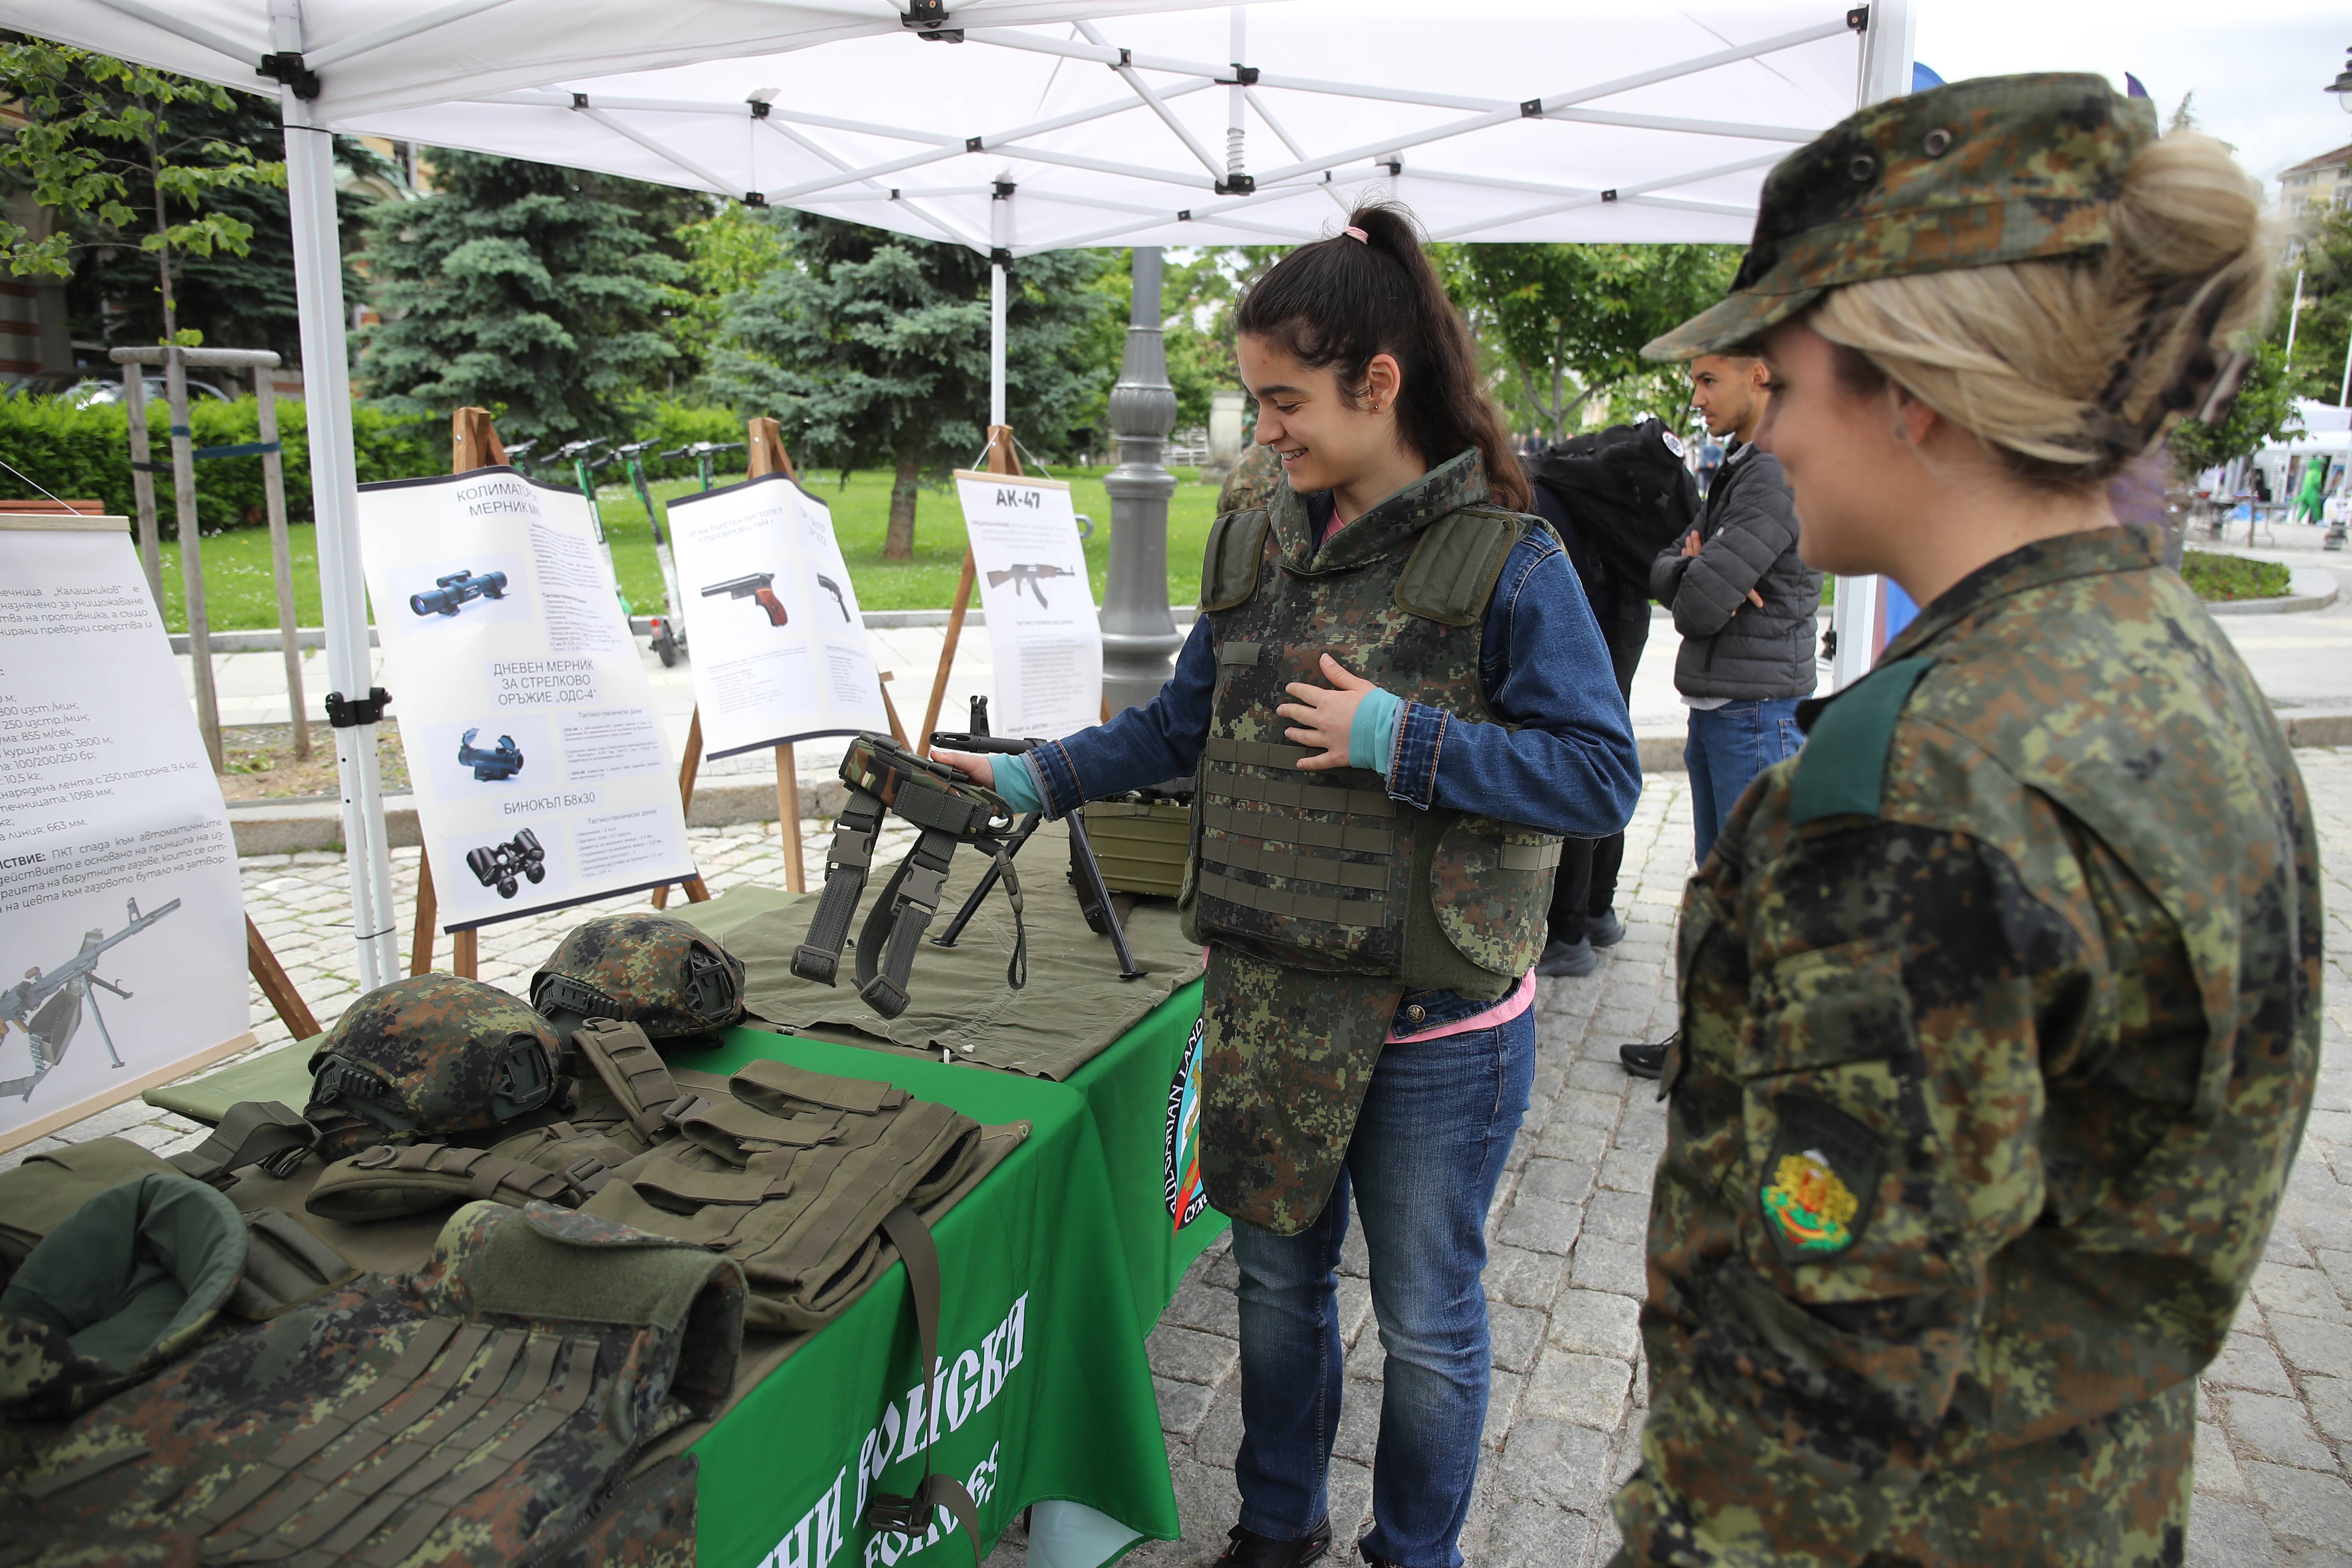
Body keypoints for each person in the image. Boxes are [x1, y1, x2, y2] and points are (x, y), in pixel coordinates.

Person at [1607, 74, 2318, 1567]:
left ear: (1908, 384)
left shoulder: (1919, 780)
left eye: (1785, 381)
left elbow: (1820, 1396)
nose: (1773, 433)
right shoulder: (2166, 659)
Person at [937, 203, 1640, 1568]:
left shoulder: (1512, 559)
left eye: (1284, 399)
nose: (1262, 427)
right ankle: (1277, 1525)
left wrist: (1406, 740)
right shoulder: (1260, 536)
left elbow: (1603, 777)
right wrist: (1035, 781)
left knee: (1431, 1315)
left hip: (1432, 1027)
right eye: (1255, 399)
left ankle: (1415, 1549)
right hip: (1267, 988)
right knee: (1273, 1283)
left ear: (1380, 385)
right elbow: (1181, 728)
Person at [1652, 354, 1822, 873]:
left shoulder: (1772, 470)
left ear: (1759, 374)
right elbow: (1660, 570)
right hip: (1726, 710)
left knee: (1749, 893)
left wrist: (1699, 571)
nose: (1697, 399)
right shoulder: (1743, 464)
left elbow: (1700, 608)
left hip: (1756, 715)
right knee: (1723, 887)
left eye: (1709, 381)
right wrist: (1696, 569)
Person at [2294, 455, 2329, 525]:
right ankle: (2319, 521)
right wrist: (2320, 489)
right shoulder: (2317, 473)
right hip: (2313, 493)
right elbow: (2317, 483)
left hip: (2306, 492)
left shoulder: (2309, 473)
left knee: (2305, 506)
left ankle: (2298, 519)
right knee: (2316, 507)